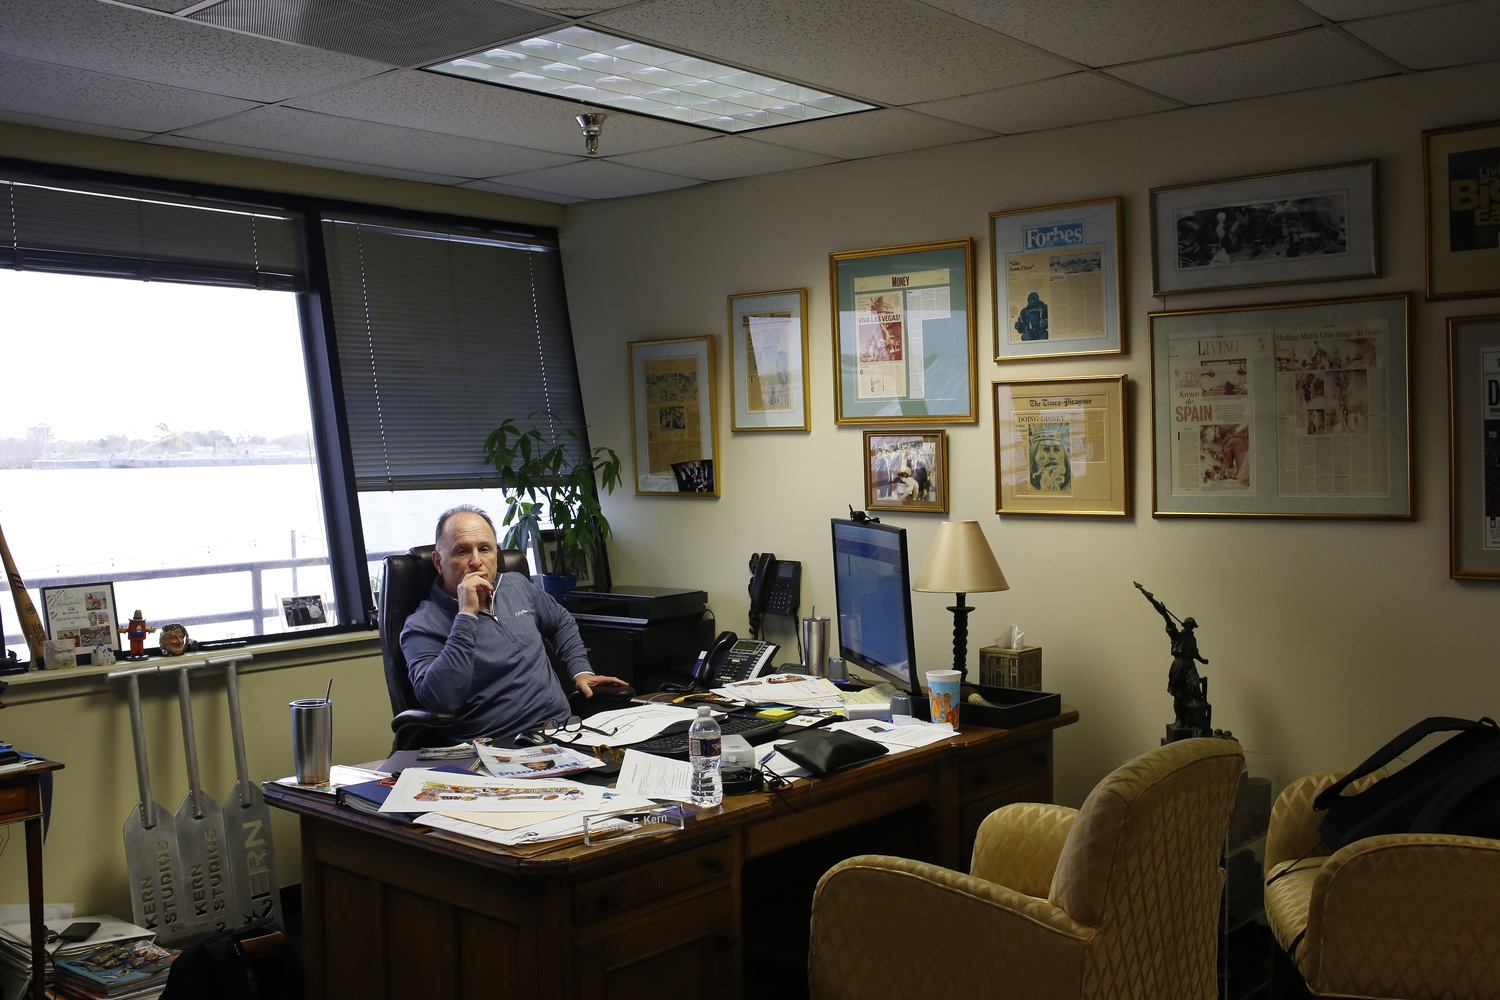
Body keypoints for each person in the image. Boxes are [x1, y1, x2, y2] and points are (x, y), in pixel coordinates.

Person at [400, 505, 628, 743]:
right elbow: (440, 699)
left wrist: (581, 671)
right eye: (462, 551)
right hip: (493, 747)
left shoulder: (516, 586)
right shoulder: (421, 625)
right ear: (438, 562)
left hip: (561, 734)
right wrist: (466, 615)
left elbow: (560, 622)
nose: (476, 561)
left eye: (485, 549)